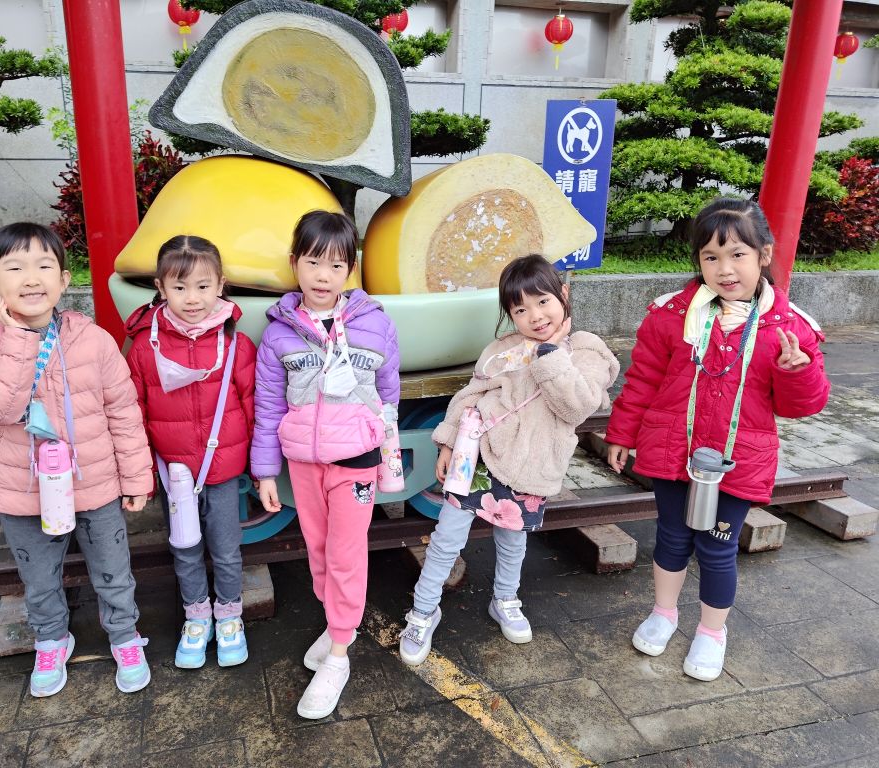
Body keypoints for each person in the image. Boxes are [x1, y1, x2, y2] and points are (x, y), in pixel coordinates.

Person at [604, 197, 830, 681]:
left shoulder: (789, 328)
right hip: (674, 450)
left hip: (738, 459)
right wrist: (621, 432)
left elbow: (801, 406)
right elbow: (643, 380)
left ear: (764, 255)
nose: (725, 269)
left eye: (737, 255)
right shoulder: (671, 314)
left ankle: (711, 632)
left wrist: (797, 371)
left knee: (718, 547)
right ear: (698, 261)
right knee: (671, 537)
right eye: (711, 256)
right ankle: (664, 613)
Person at [0, 222, 153, 697]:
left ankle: (124, 636)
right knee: (39, 577)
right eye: (15, 268)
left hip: (95, 482)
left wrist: (136, 477)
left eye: (44, 266)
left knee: (112, 570)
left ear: (64, 280)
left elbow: (123, 411)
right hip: (24, 489)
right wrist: (18, 339)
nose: (32, 278)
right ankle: (51, 639)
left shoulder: (93, 340)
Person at [398, 254, 619, 666]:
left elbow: (576, 406)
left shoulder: (588, 350)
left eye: (543, 301)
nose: (535, 316)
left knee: (513, 539)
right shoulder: (501, 350)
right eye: (520, 309)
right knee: (446, 538)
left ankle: (505, 599)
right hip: (479, 454)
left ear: (563, 294)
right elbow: (471, 395)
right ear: (509, 314)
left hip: (532, 463)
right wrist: (447, 443)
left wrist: (549, 353)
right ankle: (423, 610)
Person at [251, 210, 399, 719]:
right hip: (304, 461)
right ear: (295, 263)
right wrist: (265, 471)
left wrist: (387, 453)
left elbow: (389, 395)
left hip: (356, 459)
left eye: (336, 265)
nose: (323, 275)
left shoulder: (375, 323)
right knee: (317, 550)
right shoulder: (279, 333)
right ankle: (339, 626)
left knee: (345, 553)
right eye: (313, 262)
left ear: (350, 270)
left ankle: (338, 655)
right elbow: (268, 405)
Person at [125, 235, 256, 669]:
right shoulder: (144, 346)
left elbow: (254, 404)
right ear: (160, 287)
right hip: (174, 471)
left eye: (203, 286)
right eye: (179, 288)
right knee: (183, 546)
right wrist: (143, 469)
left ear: (221, 284)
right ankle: (197, 616)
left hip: (223, 467)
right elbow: (134, 410)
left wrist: (261, 467)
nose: (192, 298)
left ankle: (230, 615)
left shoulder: (236, 343)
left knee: (226, 547)